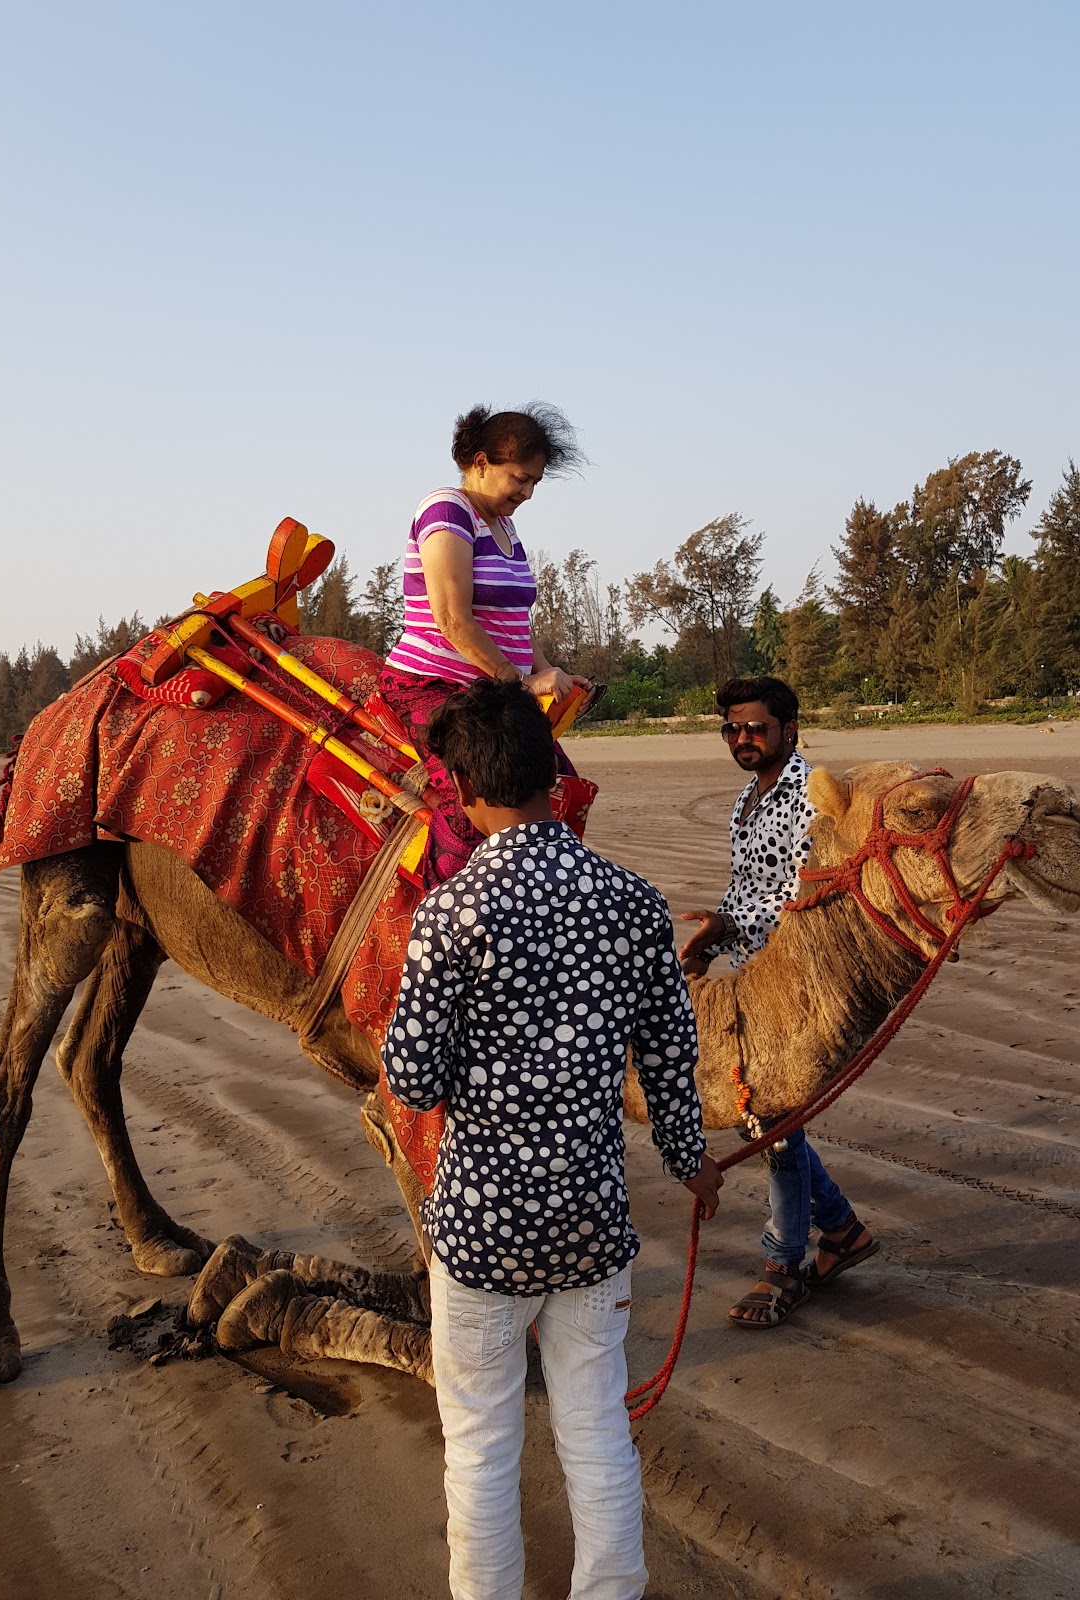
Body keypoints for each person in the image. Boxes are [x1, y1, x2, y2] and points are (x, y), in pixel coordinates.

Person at [382, 678, 723, 1600]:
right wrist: (693, 1169)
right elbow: (670, 1060)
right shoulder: (633, 904)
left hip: (481, 1231)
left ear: (460, 787)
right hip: (590, 1226)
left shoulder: (451, 913)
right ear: (549, 774)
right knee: (597, 1429)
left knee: (482, 1448)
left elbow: (409, 1079)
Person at [677, 675, 877, 1329]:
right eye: (731, 728)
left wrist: (740, 928)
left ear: (790, 730)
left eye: (755, 728)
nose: (741, 739)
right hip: (749, 977)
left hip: (799, 982)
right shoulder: (748, 797)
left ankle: (783, 1266)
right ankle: (842, 1231)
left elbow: (812, 894)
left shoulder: (812, 801)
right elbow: (750, 886)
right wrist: (717, 929)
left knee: (774, 1125)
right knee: (764, 1119)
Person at [380, 403, 593, 884]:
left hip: (496, 691)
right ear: (480, 463)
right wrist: (522, 683)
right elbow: (453, 621)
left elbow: (516, 620)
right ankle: (443, 915)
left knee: (564, 791)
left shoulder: (504, 524)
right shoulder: (446, 510)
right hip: (436, 684)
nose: (528, 492)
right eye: (519, 478)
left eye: (534, 482)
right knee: (475, 798)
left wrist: (548, 671)